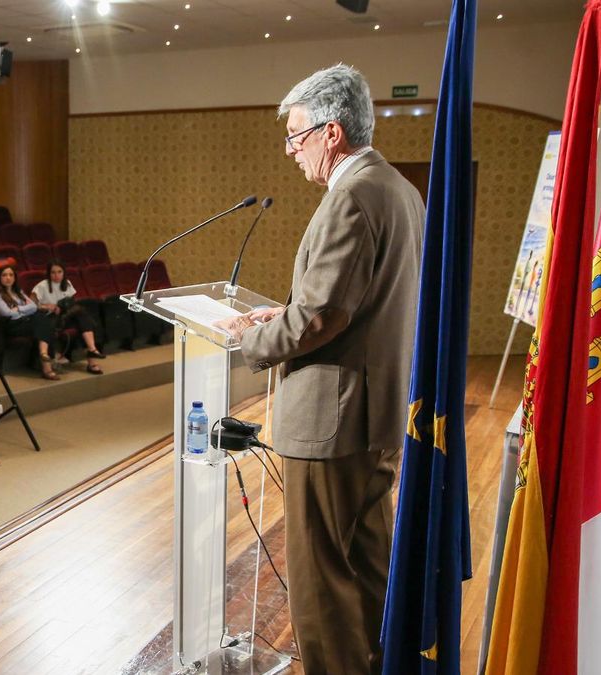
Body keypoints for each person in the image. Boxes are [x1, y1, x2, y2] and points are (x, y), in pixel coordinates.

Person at [216, 65, 424, 675]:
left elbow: (322, 318)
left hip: (333, 421)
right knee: (366, 561)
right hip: (374, 410)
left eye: (295, 136)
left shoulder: (351, 196)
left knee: (320, 579)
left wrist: (253, 340)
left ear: (331, 133)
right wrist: (285, 314)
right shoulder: (398, 189)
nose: (291, 151)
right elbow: (352, 302)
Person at [30, 261, 106, 374]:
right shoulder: (42, 285)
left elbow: (72, 302)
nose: (56, 275)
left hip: (65, 316)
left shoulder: (67, 283)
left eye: (59, 272)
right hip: (50, 317)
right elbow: (31, 304)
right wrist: (46, 306)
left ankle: (92, 352)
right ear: (49, 274)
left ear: (63, 273)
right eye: (53, 273)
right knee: (83, 317)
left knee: (83, 317)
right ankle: (92, 353)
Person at [0, 265, 60, 380]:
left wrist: (17, 309)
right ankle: (46, 360)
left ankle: (44, 359)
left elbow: (33, 306)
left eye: (11, 275)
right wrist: (23, 310)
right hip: (12, 326)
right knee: (43, 321)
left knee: (41, 318)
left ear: (14, 278)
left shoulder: (19, 292)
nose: (8, 278)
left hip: (26, 322)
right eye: (4, 275)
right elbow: (6, 313)